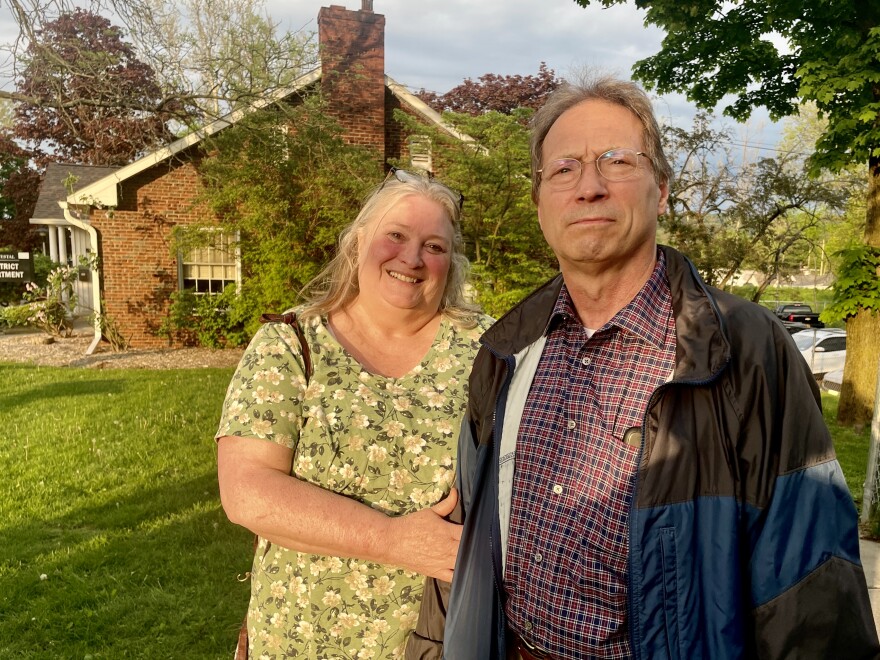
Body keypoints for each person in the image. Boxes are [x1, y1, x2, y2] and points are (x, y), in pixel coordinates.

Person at [417, 74, 880, 659]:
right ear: (539, 203)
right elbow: (466, 554)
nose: (589, 187)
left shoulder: (745, 352)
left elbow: (811, 592)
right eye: (563, 169)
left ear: (661, 189)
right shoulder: (505, 352)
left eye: (616, 161)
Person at [215, 169, 493, 659]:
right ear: (358, 242)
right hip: (297, 641)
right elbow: (247, 491)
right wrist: (391, 539)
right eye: (396, 236)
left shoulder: (489, 351)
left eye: (434, 246)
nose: (412, 258)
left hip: (445, 640)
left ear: (452, 262)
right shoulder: (291, 344)